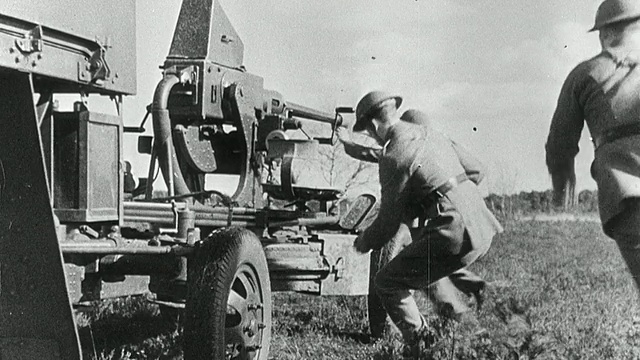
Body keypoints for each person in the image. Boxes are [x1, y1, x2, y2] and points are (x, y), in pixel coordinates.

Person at [348, 91, 503, 346]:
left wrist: (363, 241)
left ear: (373, 126)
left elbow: (387, 224)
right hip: (482, 222)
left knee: (387, 282)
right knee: (425, 266)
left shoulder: (393, 155)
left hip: (453, 229)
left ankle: (426, 345)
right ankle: (462, 330)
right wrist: (451, 194)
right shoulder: (431, 134)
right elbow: (477, 170)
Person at [337, 109, 487, 319]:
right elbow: (477, 171)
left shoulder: (402, 151)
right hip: (477, 218)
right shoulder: (436, 141)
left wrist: (365, 241)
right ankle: (462, 303)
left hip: (447, 221)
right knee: (430, 260)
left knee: (403, 273)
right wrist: (459, 193)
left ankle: (430, 334)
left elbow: (388, 219)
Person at [546, 0, 640, 291]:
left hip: (625, 196)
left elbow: (559, 146)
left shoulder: (584, 74)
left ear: (604, 33)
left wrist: (564, 190)